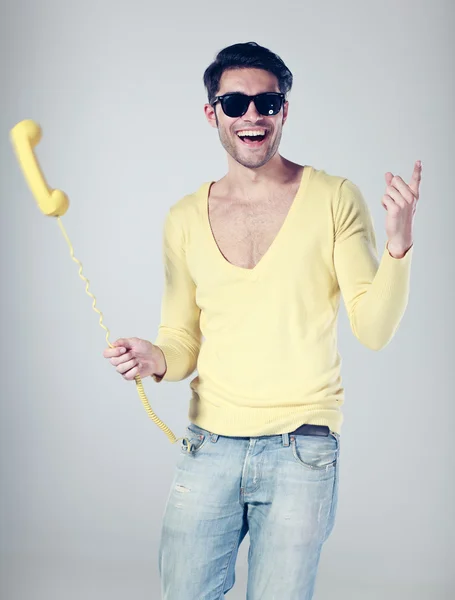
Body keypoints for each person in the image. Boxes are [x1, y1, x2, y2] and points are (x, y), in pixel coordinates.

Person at [103, 42, 421, 599]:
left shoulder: (334, 198)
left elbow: (372, 328)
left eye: (267, 103)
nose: (252, 115)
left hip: (302, 448)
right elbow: (181, 338)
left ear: (284, 110)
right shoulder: (182, 218)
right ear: (213, 114)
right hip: (210, 445)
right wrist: (156, 358)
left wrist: (398, 247)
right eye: (235, 103)